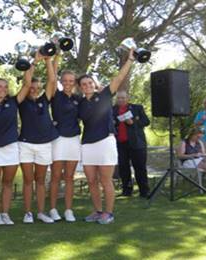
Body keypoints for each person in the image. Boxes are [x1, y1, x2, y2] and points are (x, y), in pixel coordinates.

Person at [78, 49, 135, 225]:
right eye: (84, 84)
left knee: (105, 179)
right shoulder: (79, 103)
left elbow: (118, 78)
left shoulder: (104, 95)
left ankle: (108, 213)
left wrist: (130, 60)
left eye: (89, 83)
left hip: (105, 142)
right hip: (87, 144)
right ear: (80, 88)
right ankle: (97, 211)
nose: (87, 86)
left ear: (94, 84)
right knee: (91, 181)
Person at [0, 72, 31, 225]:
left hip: (11, 147)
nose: (2, 89)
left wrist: (33, 63)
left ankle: (5, 213)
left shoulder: (13, 101)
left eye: (5, 87)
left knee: (8, 183)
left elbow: (27, 85)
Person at [18, 52, 57, 224]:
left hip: (44, 145)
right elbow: (27, 82)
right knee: (28, 180)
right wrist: (33, 61)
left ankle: (41, 212)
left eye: (37, 88)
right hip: (25, 144)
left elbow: (52, 81)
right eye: (31, 88)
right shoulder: (20, 101)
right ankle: (28, 213)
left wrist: (48, 60)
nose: (34, 90)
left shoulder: (45, 99)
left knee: (40, 180)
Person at [48, 56, 81, 222]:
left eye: (71, 81)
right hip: (58, 139)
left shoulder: (78, 99)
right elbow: (52, 76)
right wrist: (56, 53)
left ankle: (69, 210)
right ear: (61, 81)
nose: (68, 83)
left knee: (69, 177)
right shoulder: (55, 94)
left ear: (75, 83)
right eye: (65, 81)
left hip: (74, 139)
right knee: (55, 176)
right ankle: (53, 209)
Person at [112, 91, 150, 198]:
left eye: (123, 98)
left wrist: (133, 123)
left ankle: (144, 191)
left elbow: (146, 121)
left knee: (140, 167)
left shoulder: (137, 108)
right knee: (123, 168)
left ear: (128, 98)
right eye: (119, 98)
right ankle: (127, 190)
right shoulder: (113, 110)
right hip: (120, 143)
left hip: (137, 143)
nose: (121, 100)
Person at [176, 127, 206, 193]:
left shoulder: (199, 143)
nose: (199, 139)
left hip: (199, 161)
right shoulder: (184, 142)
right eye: (198, 137)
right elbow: (180, 156)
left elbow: (203, 154)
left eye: (200, 137)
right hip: (188, 162)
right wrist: (194, 155)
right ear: (193, 134)